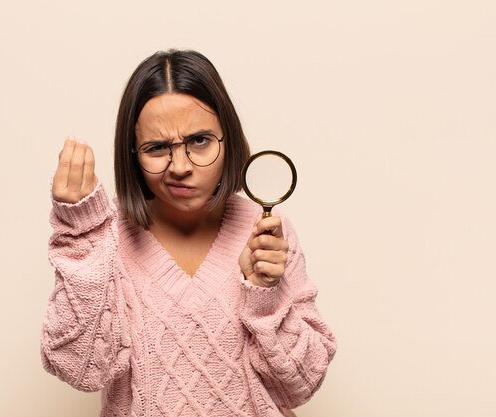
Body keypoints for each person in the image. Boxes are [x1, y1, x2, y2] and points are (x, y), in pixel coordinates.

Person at [40, 49, 336, 417]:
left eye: (199, 141)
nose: (179, 167)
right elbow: (80, 369)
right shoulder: (105, 235)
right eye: (157, 147)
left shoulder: (266, 233)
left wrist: (265, 297)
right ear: (132, 153)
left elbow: (302, 384)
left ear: (228, 139)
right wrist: (81, 235)